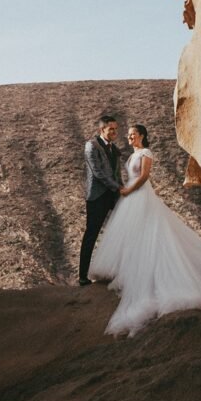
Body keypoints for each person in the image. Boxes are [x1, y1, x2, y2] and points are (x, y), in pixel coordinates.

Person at [90, 124, 201, 336]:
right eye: (128, 136)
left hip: (140, 195)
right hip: (132, 199)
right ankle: (128, 269)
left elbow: (144, 176)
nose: (129, 138)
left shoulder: (146, 152)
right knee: (134, 234)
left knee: (152, 232)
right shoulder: (131, 156)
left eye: (133, 135)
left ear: (142, 136)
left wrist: (128, 190)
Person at [79, 115, 123, 286]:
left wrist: (123, 190)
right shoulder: (91, 146)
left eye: (116, 129)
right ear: (101, 130)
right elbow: (98, 172)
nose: (114, 132)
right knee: (91, 234)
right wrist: (118, 187)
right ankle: (83, 276)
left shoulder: (114, 148)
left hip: (115, 196)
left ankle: (117, 271)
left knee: (121, 232)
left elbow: (117, 174)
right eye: (111, 129)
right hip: (97, 197)